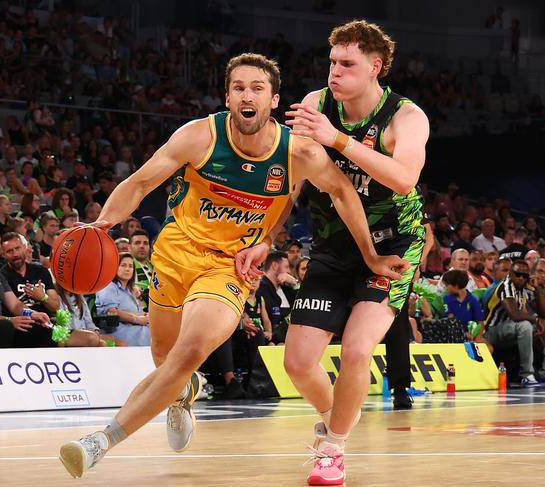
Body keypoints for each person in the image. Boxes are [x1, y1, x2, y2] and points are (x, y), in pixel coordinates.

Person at [58, 52, 405, 480]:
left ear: (273, 100)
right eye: (238, 87)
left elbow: (342, 193)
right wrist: (102, 223)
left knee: (186, 354)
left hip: (229, 267)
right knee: (166, 360)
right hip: (175, 256)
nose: (247, 95)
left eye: (257, 88)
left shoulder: (298, 153)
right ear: (227, 96)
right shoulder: (198, 136)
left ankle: (99, 442)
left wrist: (370, 254)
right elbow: (140, 182)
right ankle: (182, 395)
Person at [250, 20, 429, 485]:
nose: (335, 72)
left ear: (376, 67)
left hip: (391, 246)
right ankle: (336, 416)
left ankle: (333, 448)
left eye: (347, 64)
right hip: (333, 243)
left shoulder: (406, 117)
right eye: (332, 62)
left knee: (356, 349)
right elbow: (294, 180)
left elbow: (404, 178)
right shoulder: (315, 105)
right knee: (297, 362)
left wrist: (339, 139)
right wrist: (269, 235)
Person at [484, 260, 545, 386]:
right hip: (492, 331)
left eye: (525, 275)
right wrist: (536, 320)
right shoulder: (505, 286)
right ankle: (526, 374)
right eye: (518, 274)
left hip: (512, 330)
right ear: (510, 274)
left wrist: (537, 288)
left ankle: (543, 372)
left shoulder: (526, 286)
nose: (521, 278)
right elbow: (515, 315)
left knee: (531, 325)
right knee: (525, 325)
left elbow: (542, 312)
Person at [95, 252, 151, 346]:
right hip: (116, 329)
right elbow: (112, 311)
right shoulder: (108, 287)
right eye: (123, 265)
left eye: (130, 266)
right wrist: (137, 319)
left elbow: (137, 313)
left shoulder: (131, 291)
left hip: (133, 326)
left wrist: (146, 316)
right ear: (114, 267)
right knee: (150, 333)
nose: (127, 269)